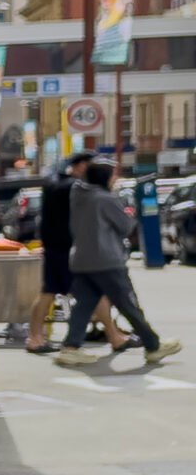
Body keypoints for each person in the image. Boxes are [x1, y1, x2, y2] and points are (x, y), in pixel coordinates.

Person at [54, 161, 180, 369]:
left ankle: (70, 347)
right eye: (113, 175)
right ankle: (153, 345)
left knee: (84, 305)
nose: (116, 179)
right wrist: (128, 212)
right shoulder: (106, 199)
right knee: (128, 303)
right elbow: (125, 226)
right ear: (104, 178)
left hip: (81, 260)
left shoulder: (78, 196)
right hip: (106, 260)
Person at [26, 152, 100, 354]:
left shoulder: (54, 184)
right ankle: (112, 334)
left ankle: (35, 338)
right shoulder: (74, 187)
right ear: (82, 166)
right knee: (93, 291)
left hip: (53, 248)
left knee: (49, 291)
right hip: (67, 249)